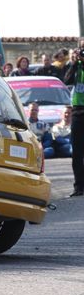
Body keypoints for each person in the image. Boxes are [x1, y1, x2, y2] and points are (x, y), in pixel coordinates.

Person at [64, 49, 84, 196]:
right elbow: (67, 80)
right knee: (77, 152)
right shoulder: (76, 67)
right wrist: (73, 63)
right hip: (77, 111)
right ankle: (79, 187)